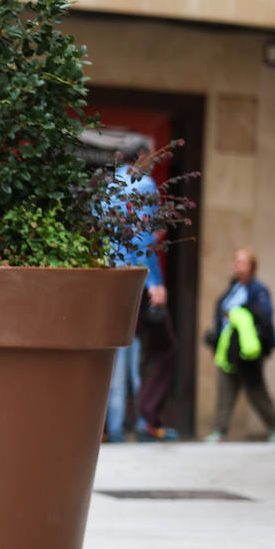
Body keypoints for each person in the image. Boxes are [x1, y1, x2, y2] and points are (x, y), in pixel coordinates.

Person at [103, 149, 175, 442]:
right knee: (157, 349)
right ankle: (145, 420)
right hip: (137, 280)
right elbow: (144, 238)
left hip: (108, 279)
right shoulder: (145, 186)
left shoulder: (107, 188)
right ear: (142, 159)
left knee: (113, 352)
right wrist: (155, 281)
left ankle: (112, 427)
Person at [204, 247, 275, 442]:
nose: (238, 265)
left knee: (255, 389)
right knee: (225, 389)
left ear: (252, 266)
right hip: (228, 349)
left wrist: (242, 313)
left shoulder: (258, 289)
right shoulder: (232, 288)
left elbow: (264, 317)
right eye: (236, 261)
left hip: (248, 350)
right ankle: (219, 430)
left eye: (242, 262)